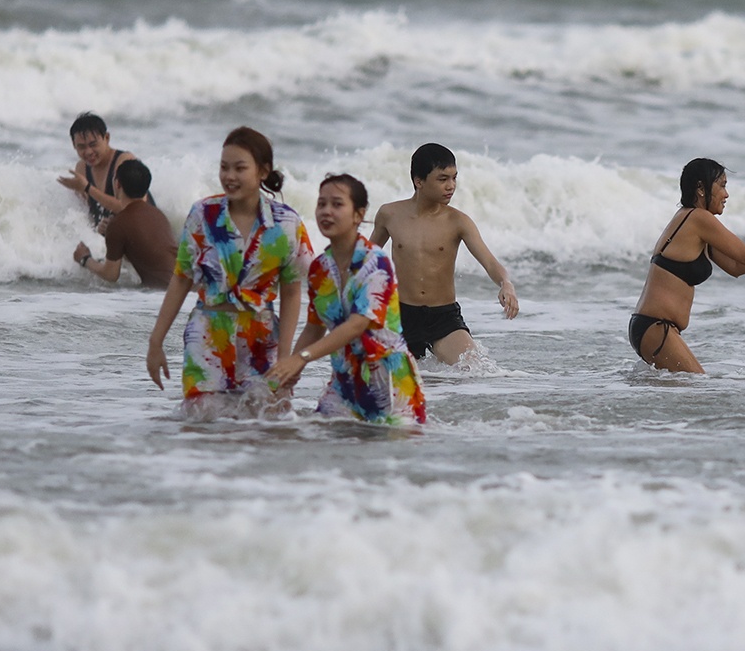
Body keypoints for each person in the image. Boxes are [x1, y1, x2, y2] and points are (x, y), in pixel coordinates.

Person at [144, 127, 312, 414]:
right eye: (224, 167)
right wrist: (155, 341)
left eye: (239, 168)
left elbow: (293, 291)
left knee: (263, 429)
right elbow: (181, 279)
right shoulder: (203, 215)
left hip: (261, 341)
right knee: (202, 427)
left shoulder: (286, 224)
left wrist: (286, 356)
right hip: (208, 336)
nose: (229, 176)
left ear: (262, 171)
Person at [629, 158, 745, 374]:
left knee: (684, 395)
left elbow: (737, 267)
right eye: (722, 185)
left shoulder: (691, 220)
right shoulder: (698, 218)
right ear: (701, 188)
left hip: (650, 328)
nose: (726, 194)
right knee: (698, 388)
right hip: (655, 327)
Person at [268, 174, 428, 427]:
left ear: (358, 214)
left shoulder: (375, 262)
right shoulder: (320, 268)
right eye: (322, 204)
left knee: (391, 460)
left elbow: (358, 323)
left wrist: (301, 358)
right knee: (317, 441)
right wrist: (288, 375)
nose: (326, 211)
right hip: (344, 379)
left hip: (388, 380)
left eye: (337, 204)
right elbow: (314, 327)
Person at [366, 142, 518, 363]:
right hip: (400, 316)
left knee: (473, 371)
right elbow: (367, 258)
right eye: (443, 179)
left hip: (443, 318)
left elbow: (489, 262)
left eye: (454, 178)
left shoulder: (458, 221)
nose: (451, 186)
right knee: (390, 381)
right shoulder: (390, 214)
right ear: (419, 181)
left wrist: (506, 283)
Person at [74, 160, 173, 287]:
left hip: (162, 294)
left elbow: (110, 275)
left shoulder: (118, 224)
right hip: (184, 289)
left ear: (117, 184)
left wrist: (85, 259)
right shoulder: (158, 215)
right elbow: (146, 255)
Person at [58, 113, 145, 226]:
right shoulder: (82, 168)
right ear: (74, 145)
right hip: (110, 237)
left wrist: (88, 188)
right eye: (81, 147)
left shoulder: (124, 162)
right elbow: (86, 216)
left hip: (144, 232)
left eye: (93, 144)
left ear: (107, 138)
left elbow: (136, 209)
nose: (88, 152)